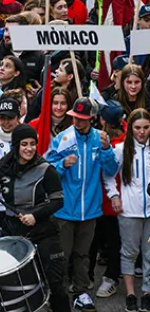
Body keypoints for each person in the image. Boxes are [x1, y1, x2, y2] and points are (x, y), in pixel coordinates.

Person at [0, 124, 71, 312]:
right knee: (16, 286)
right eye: (24, 144)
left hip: (44, 231)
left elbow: (58, 201)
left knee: (55, 283)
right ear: (16, 146)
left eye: (33, 144)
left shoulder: (46, 170)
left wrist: (35, 215)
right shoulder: (2, 169)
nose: (29, 148)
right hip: (14, 232)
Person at [46, 97, 118, 312]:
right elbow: (47, 170)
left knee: (83, 255)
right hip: (66, 209)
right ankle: (56, 293)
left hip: (90, 210)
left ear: (92, 119)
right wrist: (62, 164)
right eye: (75, 117)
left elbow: (112, 170)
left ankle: (80, 292)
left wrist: (106, 150)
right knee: (61, 255)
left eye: (82, 118)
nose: (77, 122)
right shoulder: (63, 138)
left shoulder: (100, 139)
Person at [104, 108, 150, 312]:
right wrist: (114, 196)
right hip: (129, 212)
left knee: (149, 253)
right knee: (129, 252)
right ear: (131, 128)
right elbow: (108, 175)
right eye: (138, 128)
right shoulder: (121, 149)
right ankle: (131, 293)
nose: (142, 132)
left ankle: (147, 291)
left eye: (146, 127)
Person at [89, 100, 125, 299]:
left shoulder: (121, 142)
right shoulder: (99, 137)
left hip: (113, 199)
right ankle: (88, 275)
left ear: (103, 119)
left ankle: (111, 276)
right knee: (96, 239)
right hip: (97, 197)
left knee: (112, 240)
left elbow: (110, 172)